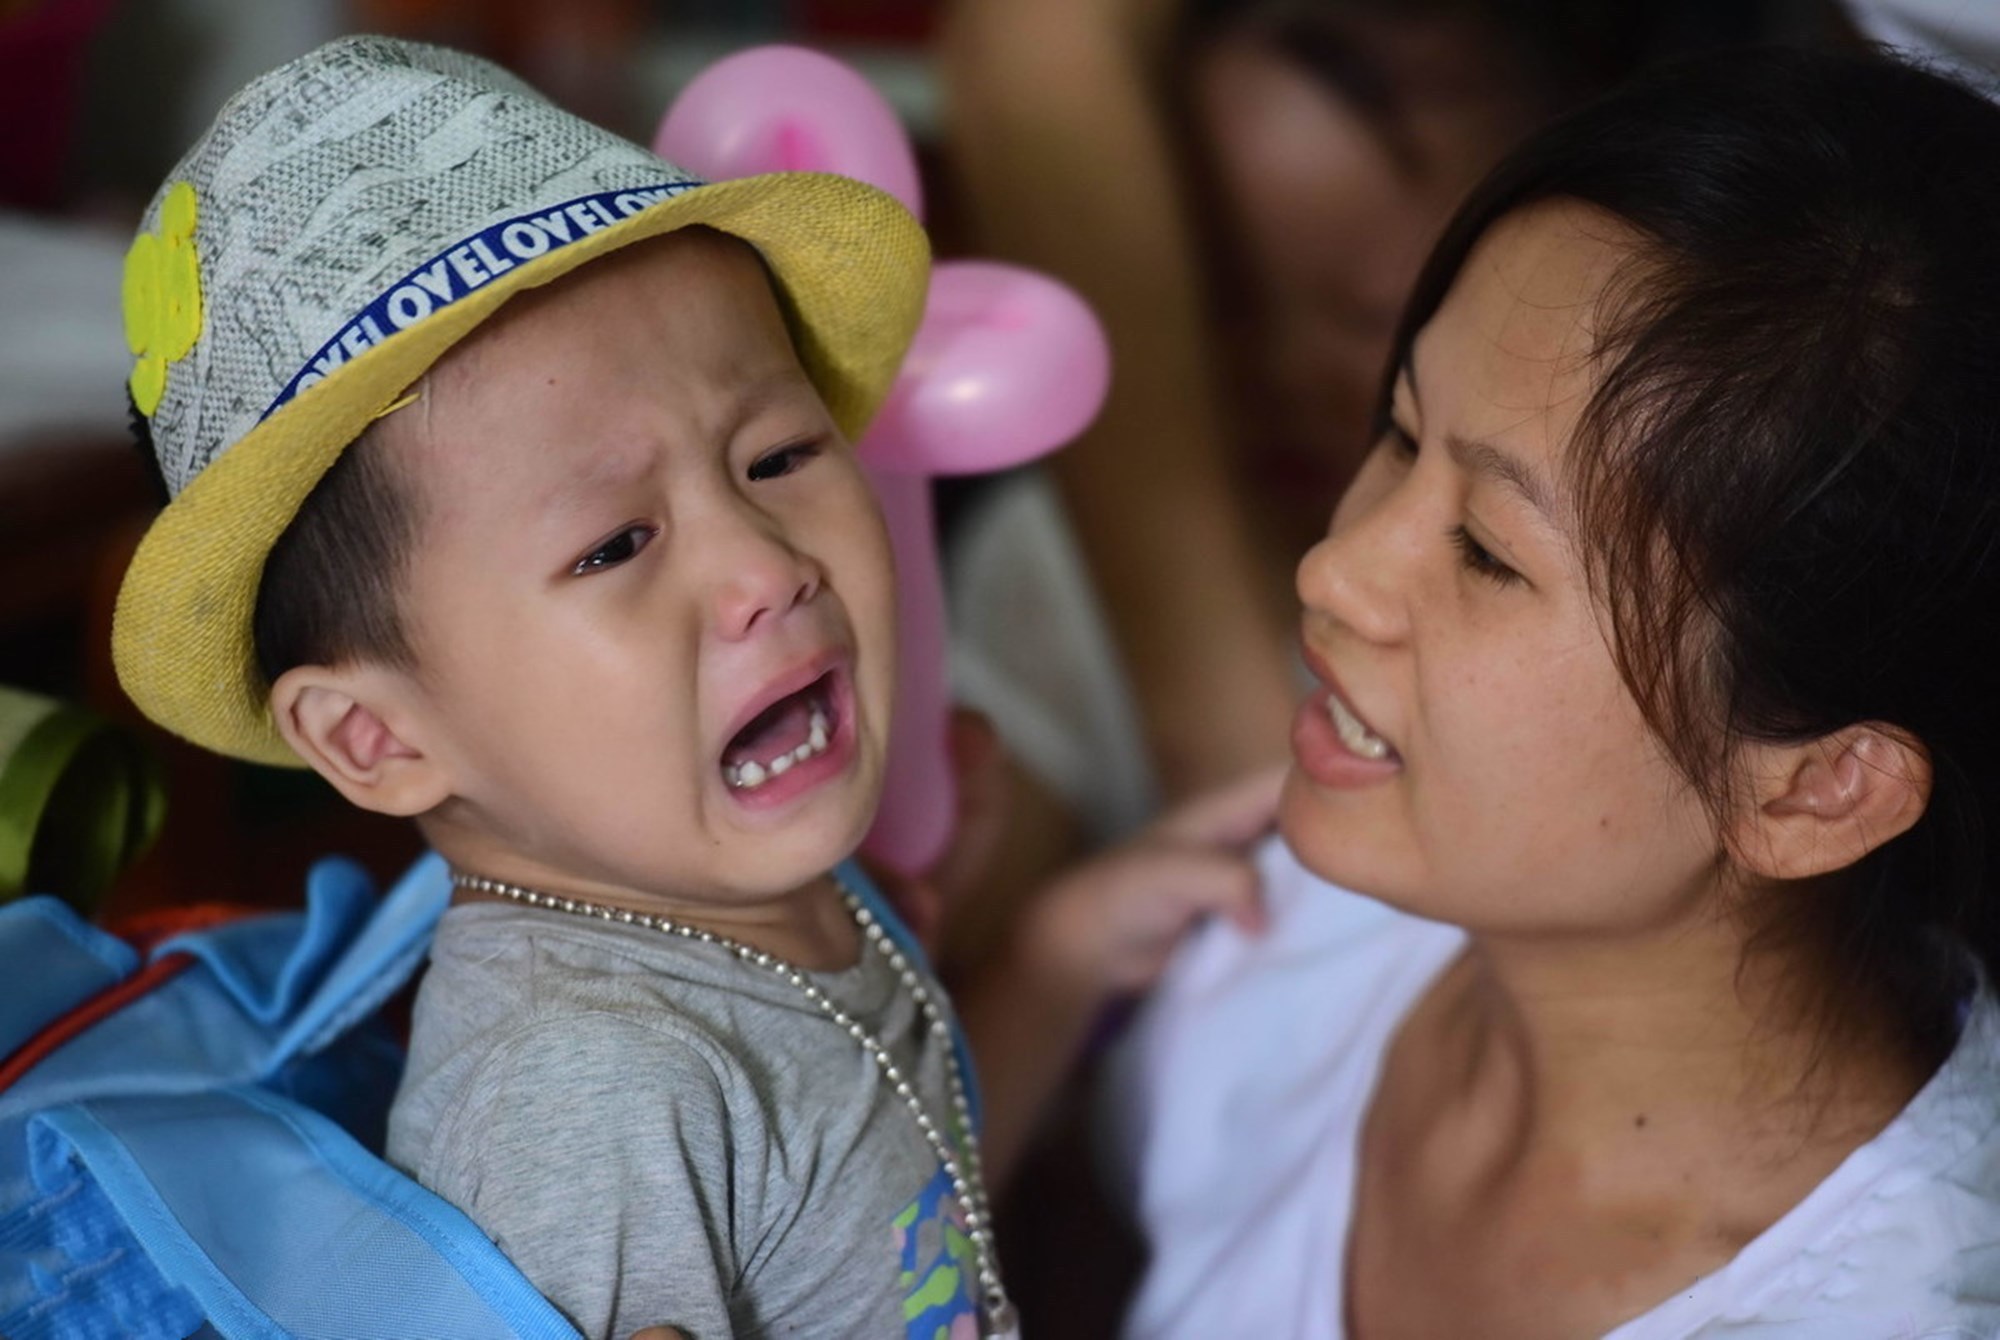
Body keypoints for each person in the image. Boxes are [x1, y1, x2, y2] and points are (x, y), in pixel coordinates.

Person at [110, 35, 1267, 1339]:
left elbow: (881, 1228)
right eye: (615, 544)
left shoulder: (743, 898)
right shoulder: (588, 1097)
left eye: (775, 456)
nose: (762, 566)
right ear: (376, 734)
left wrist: (1054, 963)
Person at [1100, 46, 2000, 1337]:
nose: (1335, 569)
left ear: (1817, 788)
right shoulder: (1306, 911)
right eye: (1400, 433)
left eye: (1484, 552)